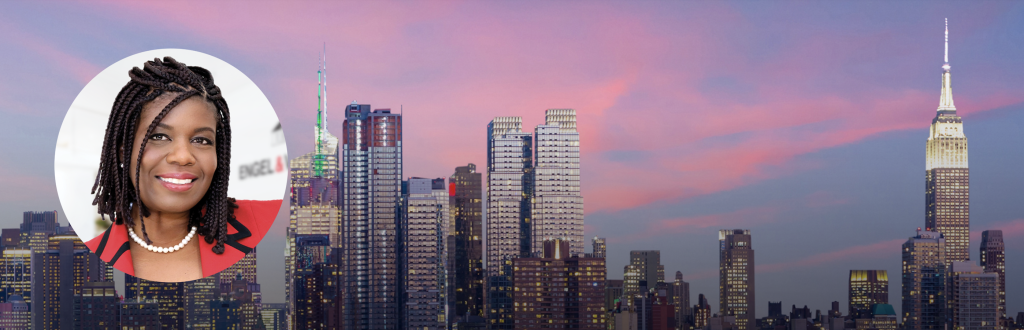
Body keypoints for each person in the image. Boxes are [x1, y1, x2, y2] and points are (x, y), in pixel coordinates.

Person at [85, 57, 278, 282]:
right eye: (158, 136)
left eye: (202, 140)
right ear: (122, 150)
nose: (183, 156)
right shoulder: (88, 262)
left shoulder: (271, 224)